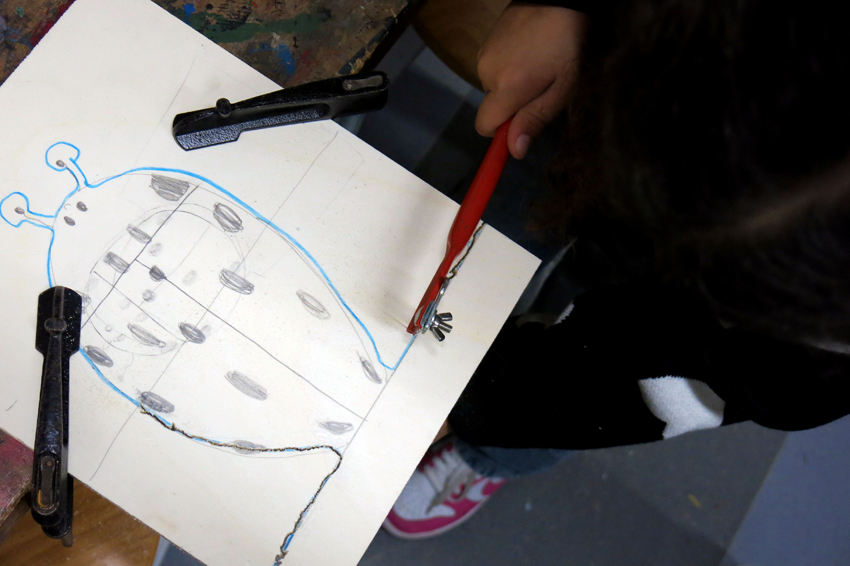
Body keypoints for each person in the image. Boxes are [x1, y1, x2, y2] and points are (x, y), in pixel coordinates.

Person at [382, 0, 850, 539]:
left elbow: (625, 390)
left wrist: (477, 407)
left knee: (575, 388)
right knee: (530, 184)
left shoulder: (798, 368)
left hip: (655, 358)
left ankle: (489, 455)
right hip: (606, 83)